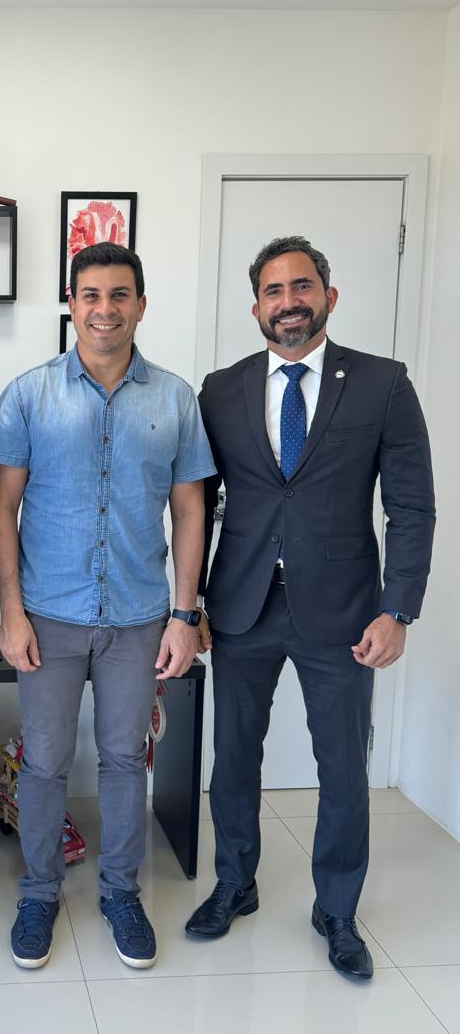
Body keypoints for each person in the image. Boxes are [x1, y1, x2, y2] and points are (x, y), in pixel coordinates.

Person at [186, 235, 435, 981]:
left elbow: (412, 506)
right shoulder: (220, 389)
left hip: (346, 613)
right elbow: (194, 506)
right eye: (273, 290)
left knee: (343, 768)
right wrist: (189, 604)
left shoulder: (383, 383)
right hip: (242, 606)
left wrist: (398, 609)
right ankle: (235, 883)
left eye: (301, 287)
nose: (288, 302)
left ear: (328, 297)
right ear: (255, 307)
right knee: (234, 757)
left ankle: (337, 910)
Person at [0, 241, 216, 971]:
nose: (105, 309)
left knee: (124, 758)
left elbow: (190, 511)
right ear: (71, 303)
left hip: (139, 616)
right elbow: (2, 510)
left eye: (120, 295)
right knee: (45, 762)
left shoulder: (175, 399)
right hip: (48, 616)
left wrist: (185, 613)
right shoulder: (29, 395)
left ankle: (121, 893)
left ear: (141, 305)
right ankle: (39, 893)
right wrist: (10, 612)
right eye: (91, 295)